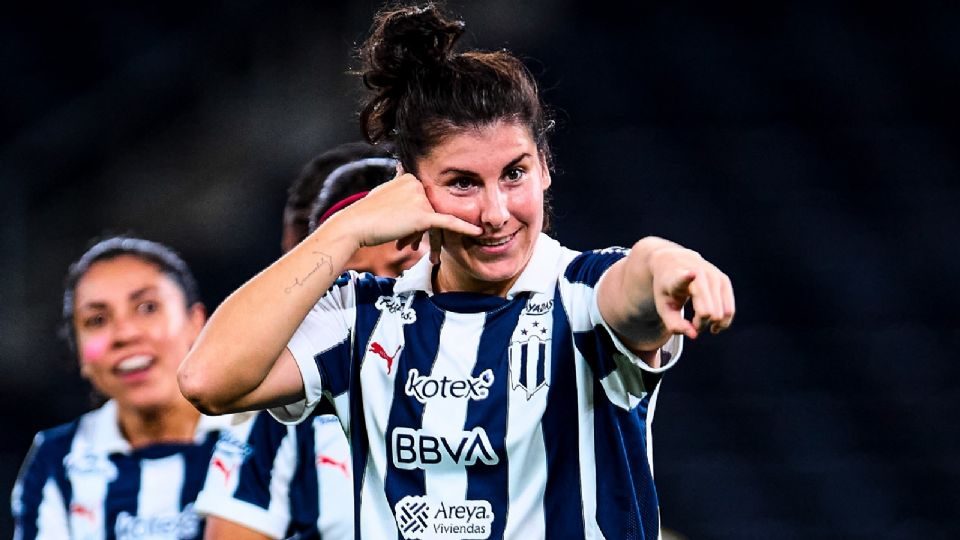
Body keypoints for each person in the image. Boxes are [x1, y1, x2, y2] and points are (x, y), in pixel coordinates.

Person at [178, 3, 735, 539]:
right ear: (410, 186)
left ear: (544, 166)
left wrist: (672, 264)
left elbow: (636, 280)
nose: (495, 213)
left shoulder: (583, 294)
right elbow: (207, 380)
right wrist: (344, 230)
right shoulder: (361, 317)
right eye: (463, 183)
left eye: (514, 173)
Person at [195, 142, 426, 540]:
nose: (381, 293)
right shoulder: (278, 411)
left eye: (402, 267)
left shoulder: (524, 350)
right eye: (353, 279)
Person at [12, 236, 232, 540]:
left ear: (195, 323)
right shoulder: (56, 460)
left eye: (147, 307)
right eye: (97, 320)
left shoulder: (262, 431)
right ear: (79, 353)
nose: (125, 333)